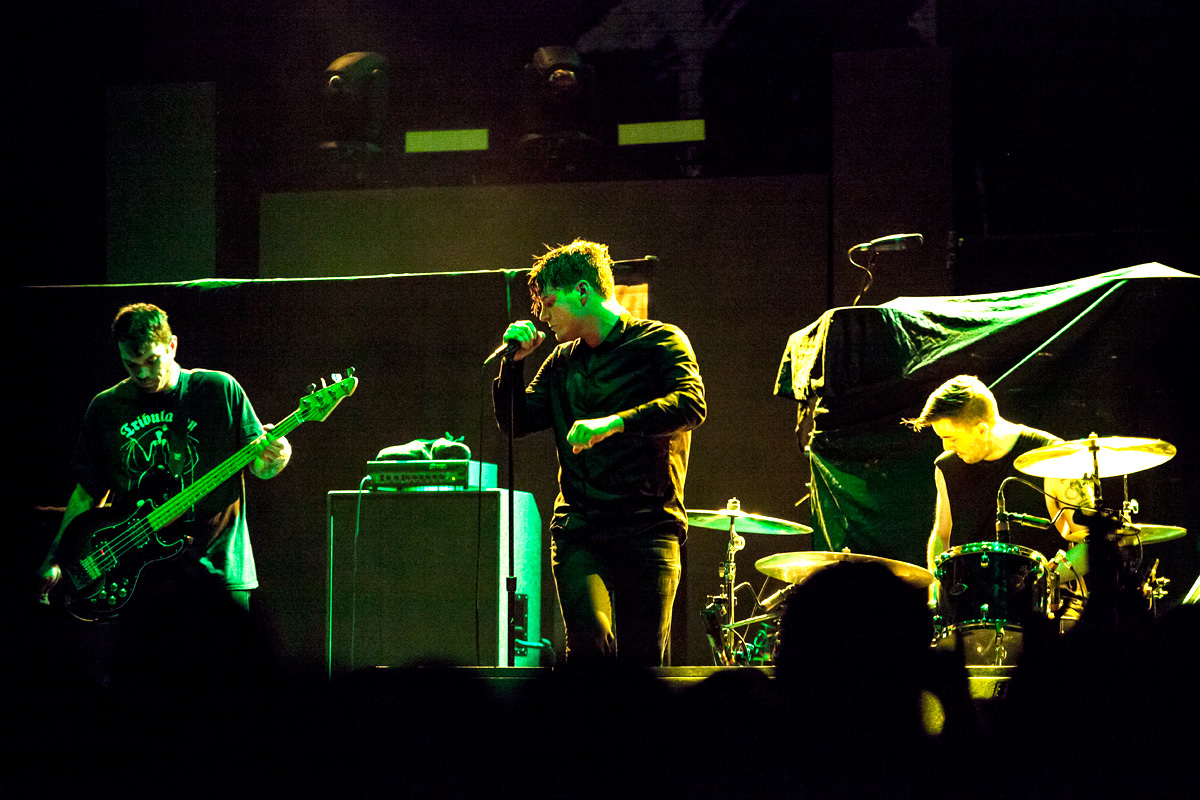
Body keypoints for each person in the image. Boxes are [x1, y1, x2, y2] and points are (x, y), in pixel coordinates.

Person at [493, 239, 705, 666]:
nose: (542, 315)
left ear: (584, 292)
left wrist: (615, 421)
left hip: (647, 529)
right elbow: (515, 422)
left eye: (549, 302)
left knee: (641, 661)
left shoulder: (660, 342)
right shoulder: (560, 362)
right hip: (580, 529)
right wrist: (513, 363)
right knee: (589, 648)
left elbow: (691, 403)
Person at [37, 303, 291, 616]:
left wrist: (279, 454)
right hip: (140, 579)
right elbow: (86, 492)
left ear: (171, 346)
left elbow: (262, 467)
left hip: (219, 569)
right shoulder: (106, 408)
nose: (142, 372)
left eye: (151, 360)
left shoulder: (217, 390)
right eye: (131, 364)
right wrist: (55, 557)